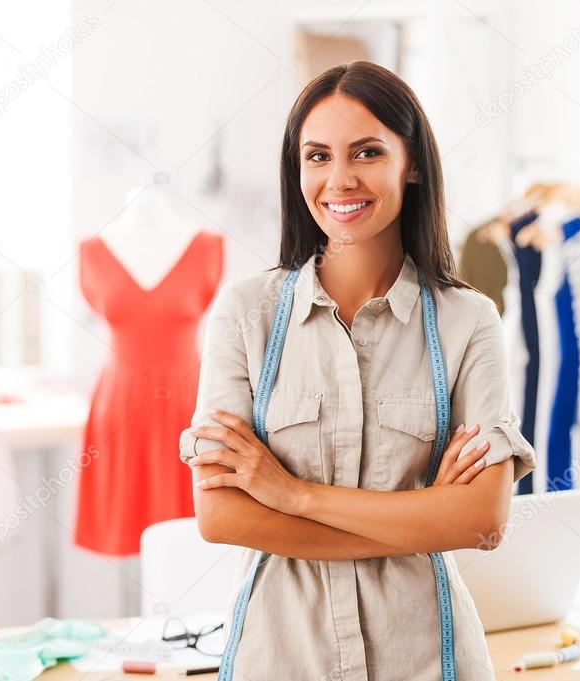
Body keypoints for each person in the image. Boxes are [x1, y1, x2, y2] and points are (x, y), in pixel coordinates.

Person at [177, 60, 536, 681]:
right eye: (317, 156)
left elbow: (480, 519)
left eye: (366, 152)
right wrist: (425, 516)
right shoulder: (245, 315)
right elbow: (222, 516)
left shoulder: (469, 322)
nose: (339, 179)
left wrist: (292, 495)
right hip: (282, 656)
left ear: (412, 162)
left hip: (426, 656)